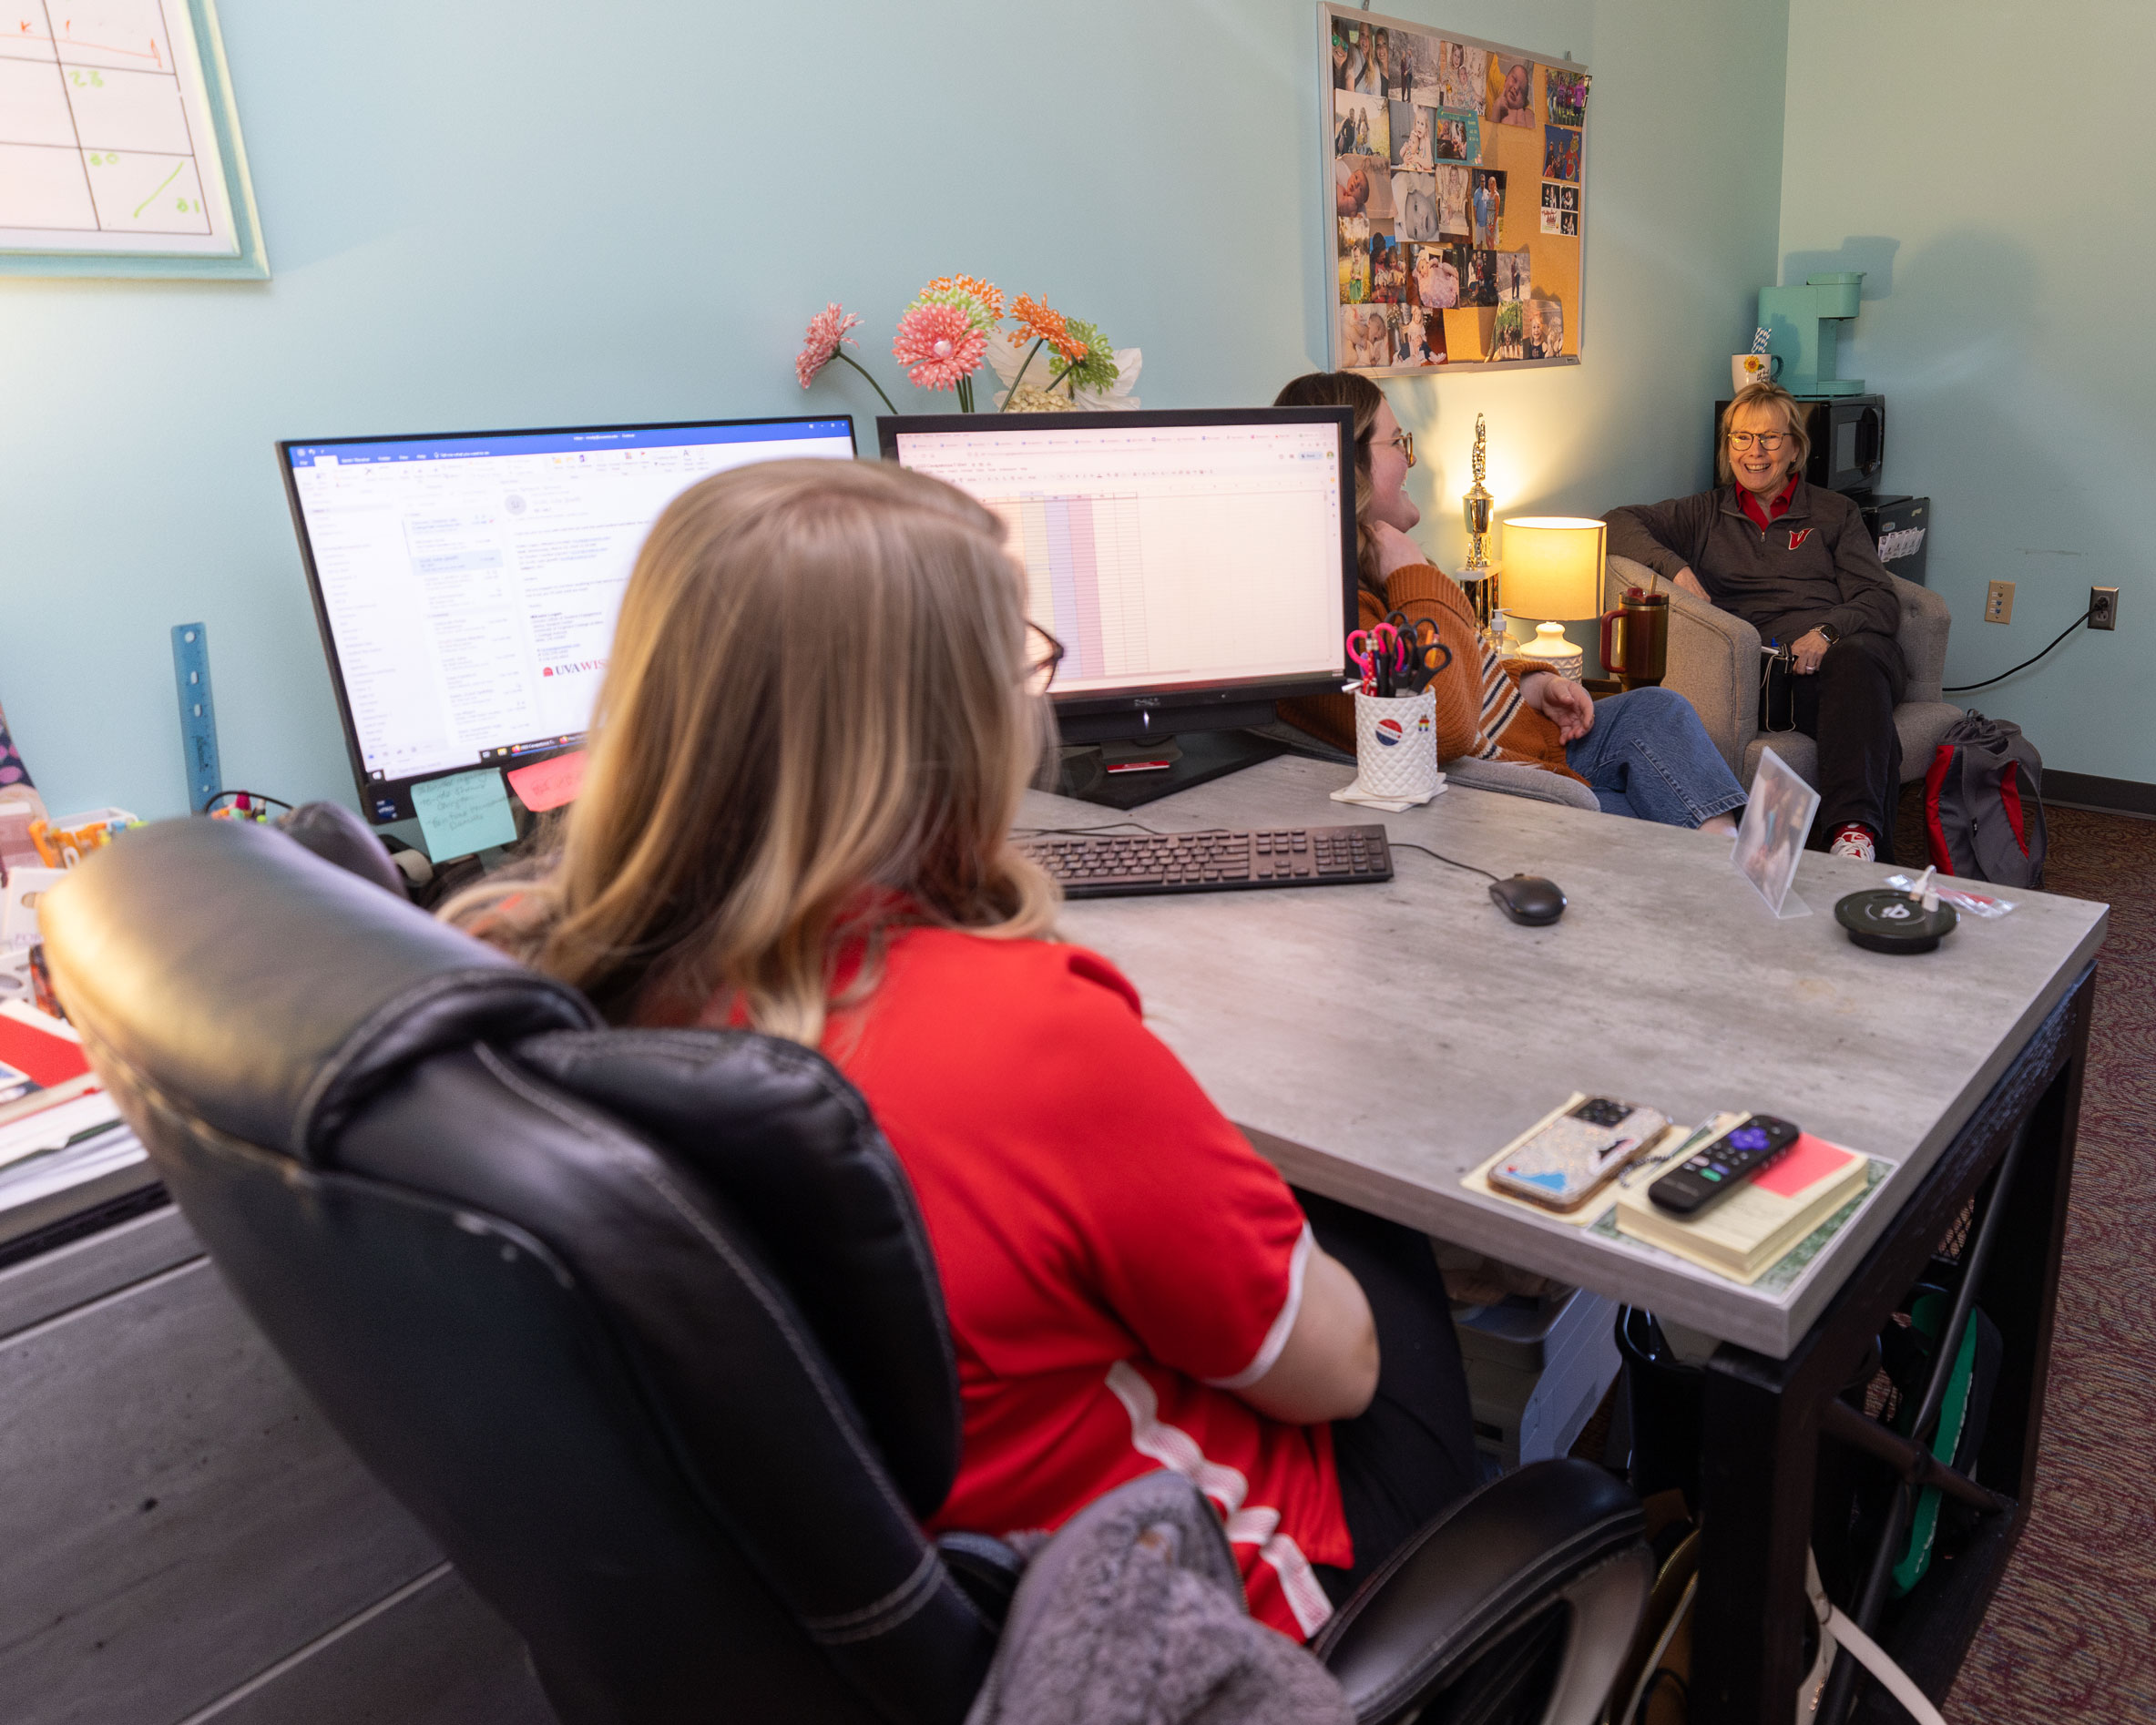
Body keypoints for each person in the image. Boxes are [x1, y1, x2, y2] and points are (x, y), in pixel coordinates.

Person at [444, 459, 1480, 1640]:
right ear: (955, 726)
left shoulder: (528, 985)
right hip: (1209, 1604)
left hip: (904, 1598)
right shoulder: (1036, 1035)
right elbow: (1338, 1373)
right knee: (1379, 1218)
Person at [1273, 372, 1746, 831]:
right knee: (1659, 817)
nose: (1410, 460)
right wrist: (1413, 575)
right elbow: (1444, 730)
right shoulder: (1333, 614)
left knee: (1658, 709)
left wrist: (1532, 684)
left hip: (1536, 741)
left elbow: (1465, 665)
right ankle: (1728, 878)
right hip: (1504, 789)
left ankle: (1729, 868)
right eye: (1398, 442)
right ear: (1347, 465)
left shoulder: (1390, 569)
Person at [1604, 381, 1906, 861]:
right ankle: (1847, 851)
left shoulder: (1834, 513)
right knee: (1862, 722)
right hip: (1771, 675)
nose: (1754, 451)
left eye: (1770, 437)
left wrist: (1825, 634)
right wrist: (1677, 569)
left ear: (1794, 449)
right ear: (1728, 448)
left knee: (1854, 668)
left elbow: (1878, 598)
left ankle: (1851, 837)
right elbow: (1617, 522)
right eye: (1741, 437)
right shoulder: (1703, 514)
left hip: (1849, 652)